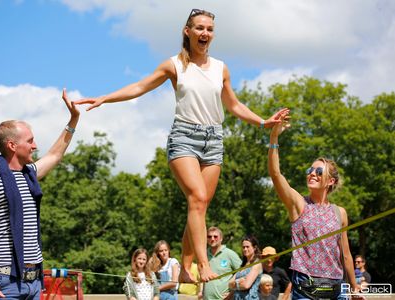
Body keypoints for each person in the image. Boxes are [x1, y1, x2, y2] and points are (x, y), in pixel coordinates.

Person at [72, 8, 289, 283]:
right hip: (184, 136)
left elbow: (232, 104)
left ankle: (185, 269)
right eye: (199, 28)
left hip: (214, 139)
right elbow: (140, 87)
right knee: (197, 198)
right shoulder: (174, 65)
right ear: (187, 31)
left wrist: (262, 122)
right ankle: (201, 263)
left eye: (209, 29)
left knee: (200, 206)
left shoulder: (221, 68)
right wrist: (105, 98)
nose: (205, 33)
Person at [0, 89, 79, 300]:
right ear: (12, 145)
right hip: (4, 283)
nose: (35, 146)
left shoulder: (30, 175)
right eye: (30, 141)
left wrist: (73, 119)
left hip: (34, 283)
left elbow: (55, 154)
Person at [267, 118, 360, 299]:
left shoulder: (339, 212)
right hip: (305, 289)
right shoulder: (298, 204)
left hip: (337, 289)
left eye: (318, 172)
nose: (311, 173)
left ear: (331, 181)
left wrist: (354, 288)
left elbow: (346, 255)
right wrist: (274, 139)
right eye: (310, 170)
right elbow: (275, 174)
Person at [203, 227, 242, 300]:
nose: (212, 239)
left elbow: (242, 273)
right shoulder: (204, 255)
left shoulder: (230, 254)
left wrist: (233, 292)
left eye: (215, 236)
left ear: (221, 238)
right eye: (209, 236)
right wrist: (200, 292)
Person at [228, 235, 262, 300]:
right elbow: (229, 283)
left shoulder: (257, 264)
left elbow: (246, 285)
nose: (245, 249)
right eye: (243, 247)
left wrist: (235, 283)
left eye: (247, 247)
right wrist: (239, 282)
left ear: (254, 248)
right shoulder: (243, 265)